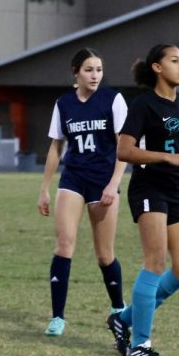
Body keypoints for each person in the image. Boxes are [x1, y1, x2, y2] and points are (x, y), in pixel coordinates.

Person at [107, 44, 179, 356]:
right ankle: (140, 343)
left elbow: (178, 141)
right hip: (148, 187)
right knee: (155, 262)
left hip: (174, 189)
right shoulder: (143, 105)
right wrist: (167, 157)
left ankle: (123, 320)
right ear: (157, 68)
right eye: (175, 60)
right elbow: (124, 150)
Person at [36, 48, 128, 337]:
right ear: (76, 72)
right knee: (64, 245)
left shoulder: (112, 100)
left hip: (102, 181)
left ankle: (117, 308)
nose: (95, 75)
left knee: (104, 255)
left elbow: (124, 147)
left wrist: (113, 184)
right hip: (73, 178)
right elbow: (56, 147)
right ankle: (57, 318)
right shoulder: (64, 104)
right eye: (89, 69)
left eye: (99, 69)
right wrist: (44, 189)